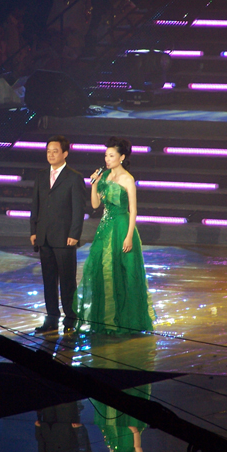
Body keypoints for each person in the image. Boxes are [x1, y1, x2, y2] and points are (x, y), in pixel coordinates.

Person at [75, 137, 155, 334]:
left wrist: (129, 236)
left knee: (123, 274)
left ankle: (126, 321)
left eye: (111, 156)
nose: (107, 159)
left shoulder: (128, 179)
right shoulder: (104, 176)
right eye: (106, 155)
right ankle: (107, 321)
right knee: (104, 272)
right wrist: (94, 184)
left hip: (122, 227)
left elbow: (133, 210)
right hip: (105, 227)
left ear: (122, 157)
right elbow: (95, 205)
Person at [30, 136, 87, 335]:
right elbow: (35, 205)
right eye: (48, 151)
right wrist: (33, 230)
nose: (51, 154)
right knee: (49, 281)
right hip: (44, 236)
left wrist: (74, 233)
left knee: (67, 281)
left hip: (64, 238)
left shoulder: (74, 177)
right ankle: (51, 319)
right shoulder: (41, 176)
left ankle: (70, 319)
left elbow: (79, 209)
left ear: (65, 153)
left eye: (55, 151)